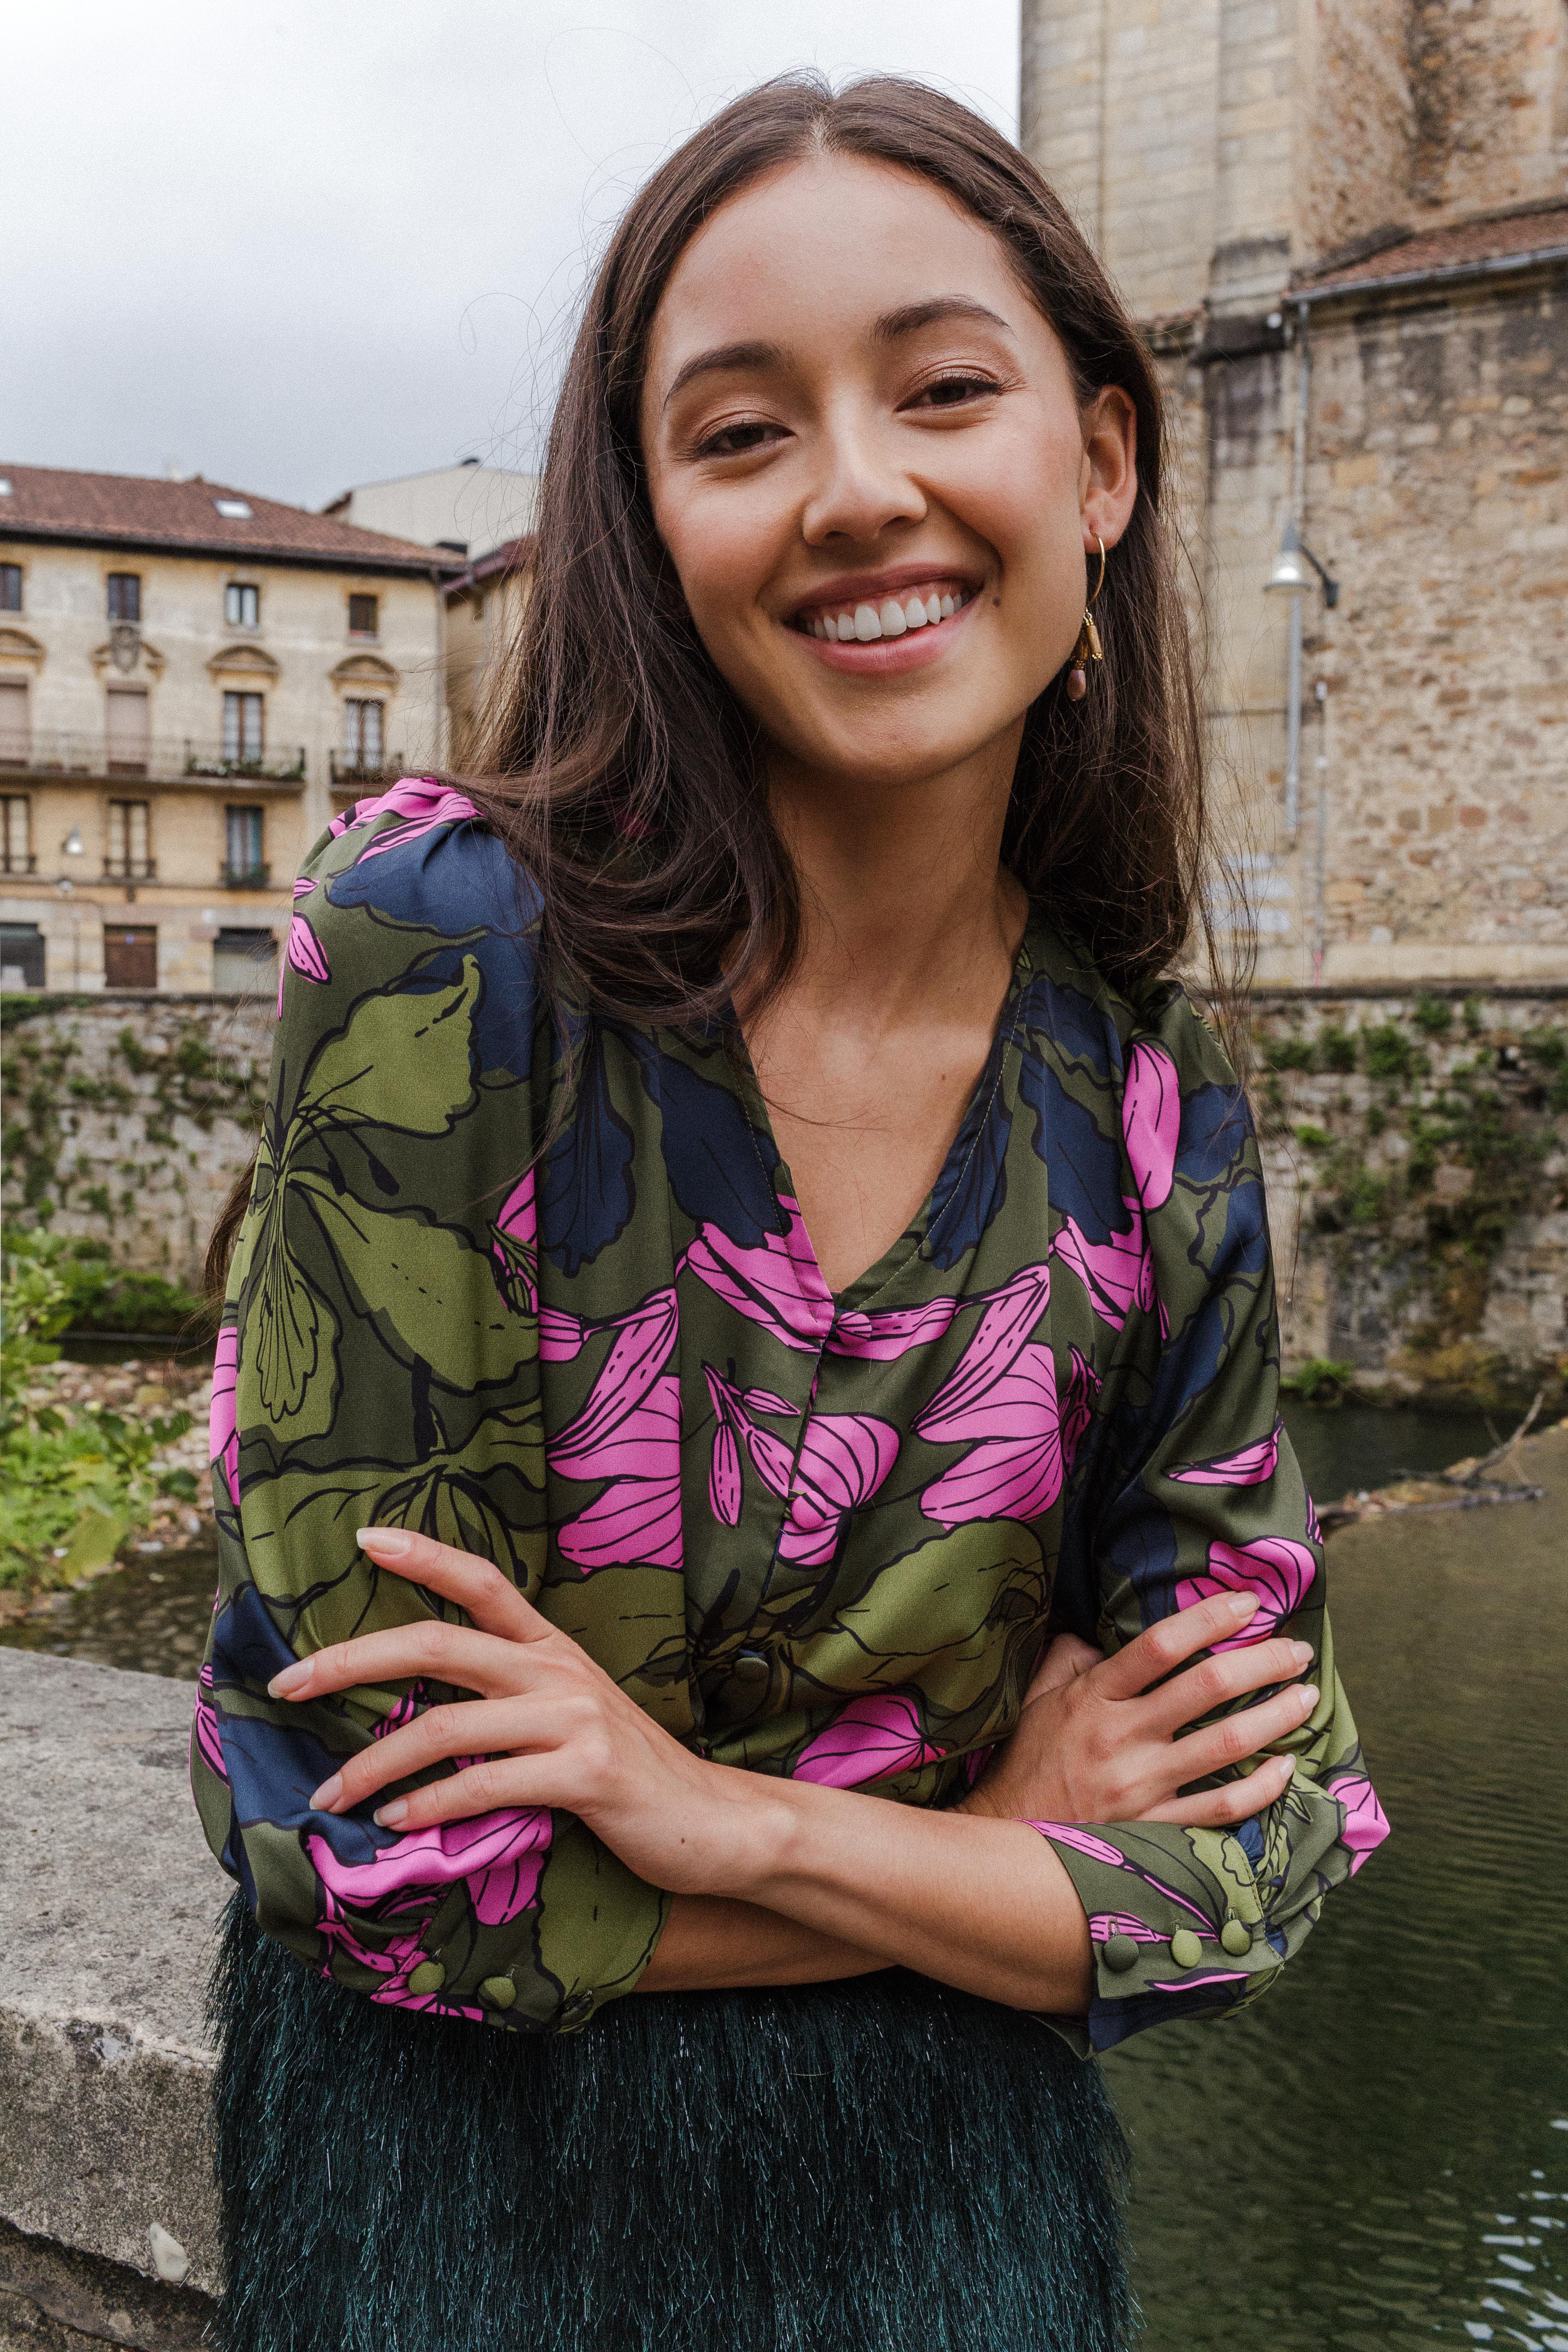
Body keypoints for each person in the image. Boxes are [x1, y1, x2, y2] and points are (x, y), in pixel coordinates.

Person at [193, 73, 1387, 2352]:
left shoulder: (1143, 1104)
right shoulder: (447, 956)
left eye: (946, 389)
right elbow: (370, 1856)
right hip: (464, 2203)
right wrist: (992, 1854)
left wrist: (719, 1823)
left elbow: (1266, 1851)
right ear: (651, 524)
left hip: (961, 2210)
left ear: (1103, 463)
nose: (860, 493)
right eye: (740, 434)